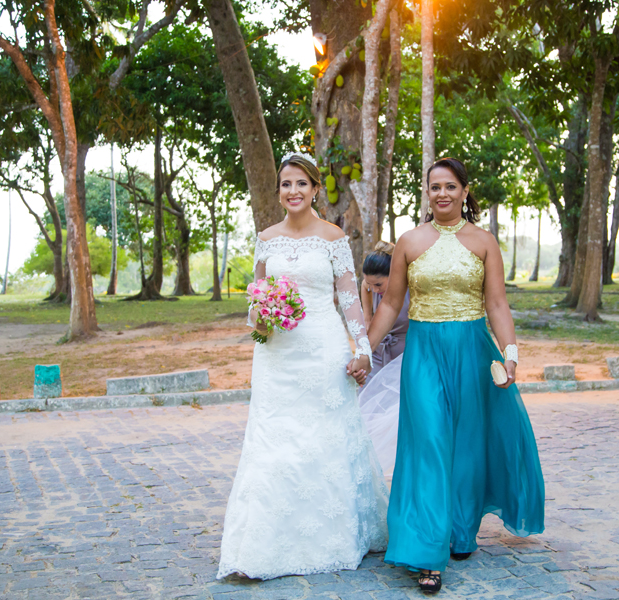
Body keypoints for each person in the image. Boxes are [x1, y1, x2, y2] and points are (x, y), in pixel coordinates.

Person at [365, 157, 545, 593]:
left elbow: (497, 305)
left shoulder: (484, 242)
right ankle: (426, 550)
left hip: (472, 350)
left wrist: (512, 355)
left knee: (466, 444)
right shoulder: (409, 241)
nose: (441, 194)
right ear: (426, 193)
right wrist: (362, 350)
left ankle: (462, 530)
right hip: (423, 352)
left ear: (465, 192)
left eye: (450, 186)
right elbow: (390, 304)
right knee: (427, 442)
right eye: (434, 187)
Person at [216, 153, 388, 581]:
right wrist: (259, 317)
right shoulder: (266, 238)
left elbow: (349, 299)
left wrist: (362, 349)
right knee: (273, 440)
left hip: (323, 348)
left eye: (300, 184)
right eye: (285, 184)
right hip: (275, 355)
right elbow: (254, 298)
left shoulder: (332, 237)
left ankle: (336, 534)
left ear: (315, 189)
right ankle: (262, 544)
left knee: (325, 438)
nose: (292, 192)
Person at [360, 241, 409, 385]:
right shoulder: (371, 286)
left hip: (404, 353)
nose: (374, 290)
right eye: (371, 285)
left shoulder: (411, 287)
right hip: (379, 349)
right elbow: (364, 287)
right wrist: (368, 318)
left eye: (378, 285)